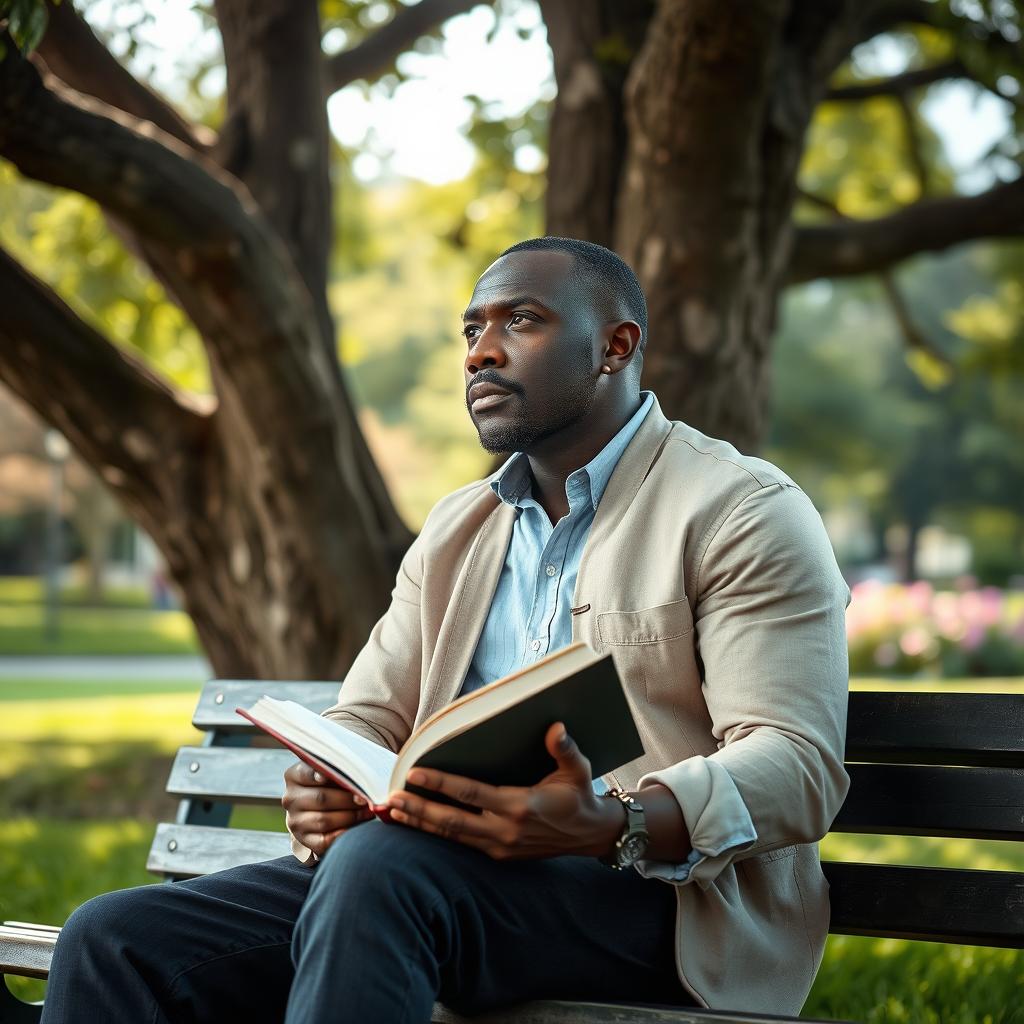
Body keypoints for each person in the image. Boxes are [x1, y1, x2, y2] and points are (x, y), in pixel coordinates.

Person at [41, 237, 850, 1023]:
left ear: (615, 346)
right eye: (472, 330)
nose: (479, 355)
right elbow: (367, 715)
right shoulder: (457, 528)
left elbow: (798, 761)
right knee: (114, 940)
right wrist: (327, 785)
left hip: (661, 903)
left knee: (384, 873)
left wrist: (616, 822)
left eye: (520, 322)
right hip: (421, 871)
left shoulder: (739, 510)